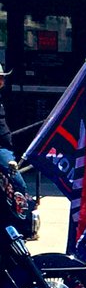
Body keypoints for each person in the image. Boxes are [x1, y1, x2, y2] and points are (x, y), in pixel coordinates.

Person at [0, 63, 27, 195]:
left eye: (2, 78)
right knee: (19, 185)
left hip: (6, 148)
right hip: (1, 150)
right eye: (0, 78)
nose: (3, 81)